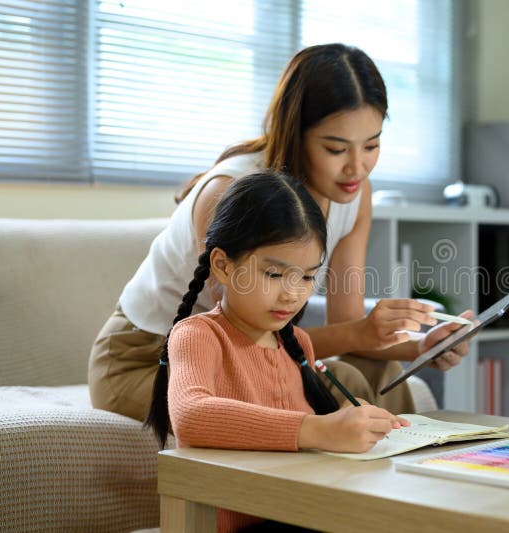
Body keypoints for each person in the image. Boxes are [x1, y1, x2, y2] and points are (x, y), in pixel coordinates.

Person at [89, 42, 470, 423]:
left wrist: (420, 347)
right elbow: (244, 342)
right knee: (343, 381)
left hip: (247, 350)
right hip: (151, 359)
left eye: (372, 145)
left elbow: (346, 327)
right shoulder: (231, 192)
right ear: (296, 133)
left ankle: (401, 475)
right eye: (336, 149)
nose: (358, 168)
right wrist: (360, 334)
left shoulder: (354, 195)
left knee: (375, 372)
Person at [145, 171, 410, 532]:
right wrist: (318, 430)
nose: (292, 294)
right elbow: (191, 414)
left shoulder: (297, 341)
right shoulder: (197, 335)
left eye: (305, 278)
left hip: (296, 511)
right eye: (273, 275)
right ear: (223, 266)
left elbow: (310, 431)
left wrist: (346, 416)